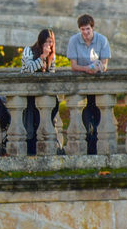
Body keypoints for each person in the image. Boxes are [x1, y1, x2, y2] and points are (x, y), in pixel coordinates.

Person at [66, 14, 110, 154]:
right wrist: (86, 69)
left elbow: (104, 65)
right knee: (84, 114)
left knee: (97, 113)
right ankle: (88, 141)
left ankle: (94, 145)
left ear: (92, 28)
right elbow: (73, 66)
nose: (85, 33)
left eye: (88, 29)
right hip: (80, 85)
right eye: (82, 29)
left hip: (97, 85)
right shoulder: (73, 40)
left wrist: (97, 68)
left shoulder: (102, 40)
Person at [21, 29, 59, 155]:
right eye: (47, 42)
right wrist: (42, 57)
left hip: (43, 95)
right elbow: (30, 69)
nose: (49, 45)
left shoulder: (52, 56)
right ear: (41, 41)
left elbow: (51, 75)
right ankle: (30, 150)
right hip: (28, 94)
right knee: (29, 123)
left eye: (51, 42)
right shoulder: (28, 51)